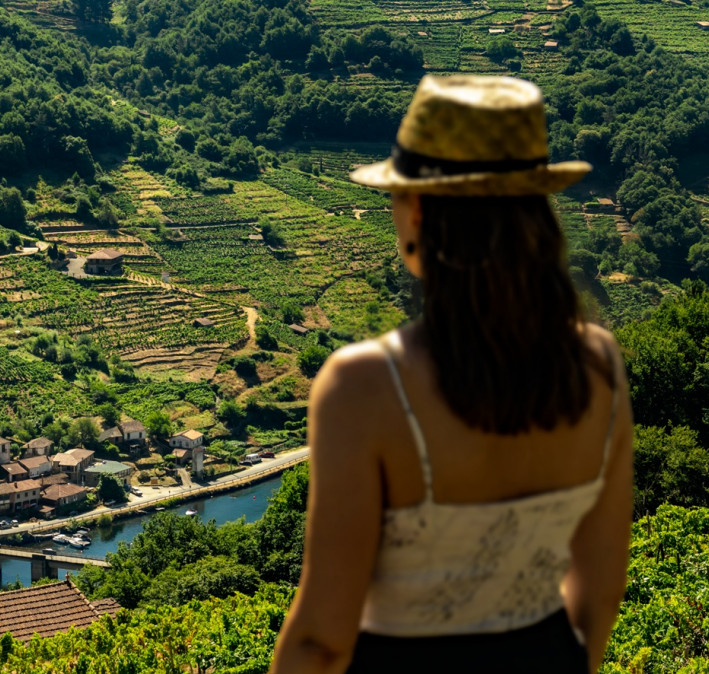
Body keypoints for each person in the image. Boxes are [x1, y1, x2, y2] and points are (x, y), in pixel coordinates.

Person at [269, 75, 633, 674]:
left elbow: (321, 640)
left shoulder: (363, 386)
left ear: (417, 212)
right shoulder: (598, 365)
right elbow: (598, 593)